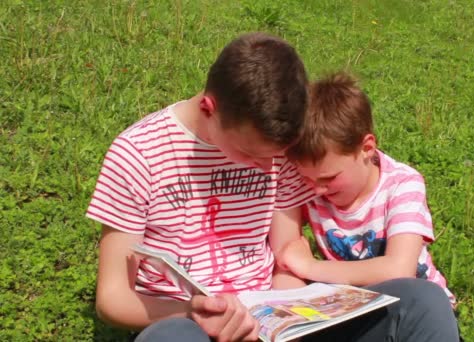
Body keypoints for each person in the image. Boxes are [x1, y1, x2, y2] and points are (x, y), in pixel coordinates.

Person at [86, 32, 315, 342]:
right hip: (183, 322)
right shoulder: (139, 154)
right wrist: (192, 311)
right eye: (248, 154)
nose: (266, 168)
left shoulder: (276, 147)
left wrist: (289, 320)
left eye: (274, 157)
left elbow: (286, 262)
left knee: (404, 298)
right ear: (209, 108)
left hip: (264, 320)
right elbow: (113, 298)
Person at [271, 72, 460, 341]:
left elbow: (398, 270)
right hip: (354, 311)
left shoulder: (402, 184)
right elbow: (285, 257)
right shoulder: (309, 185)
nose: (316, 189)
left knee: (424, 301)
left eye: (328, 178)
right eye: (306, 178)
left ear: (367, 148)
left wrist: (310, 267)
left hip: (414, 312)